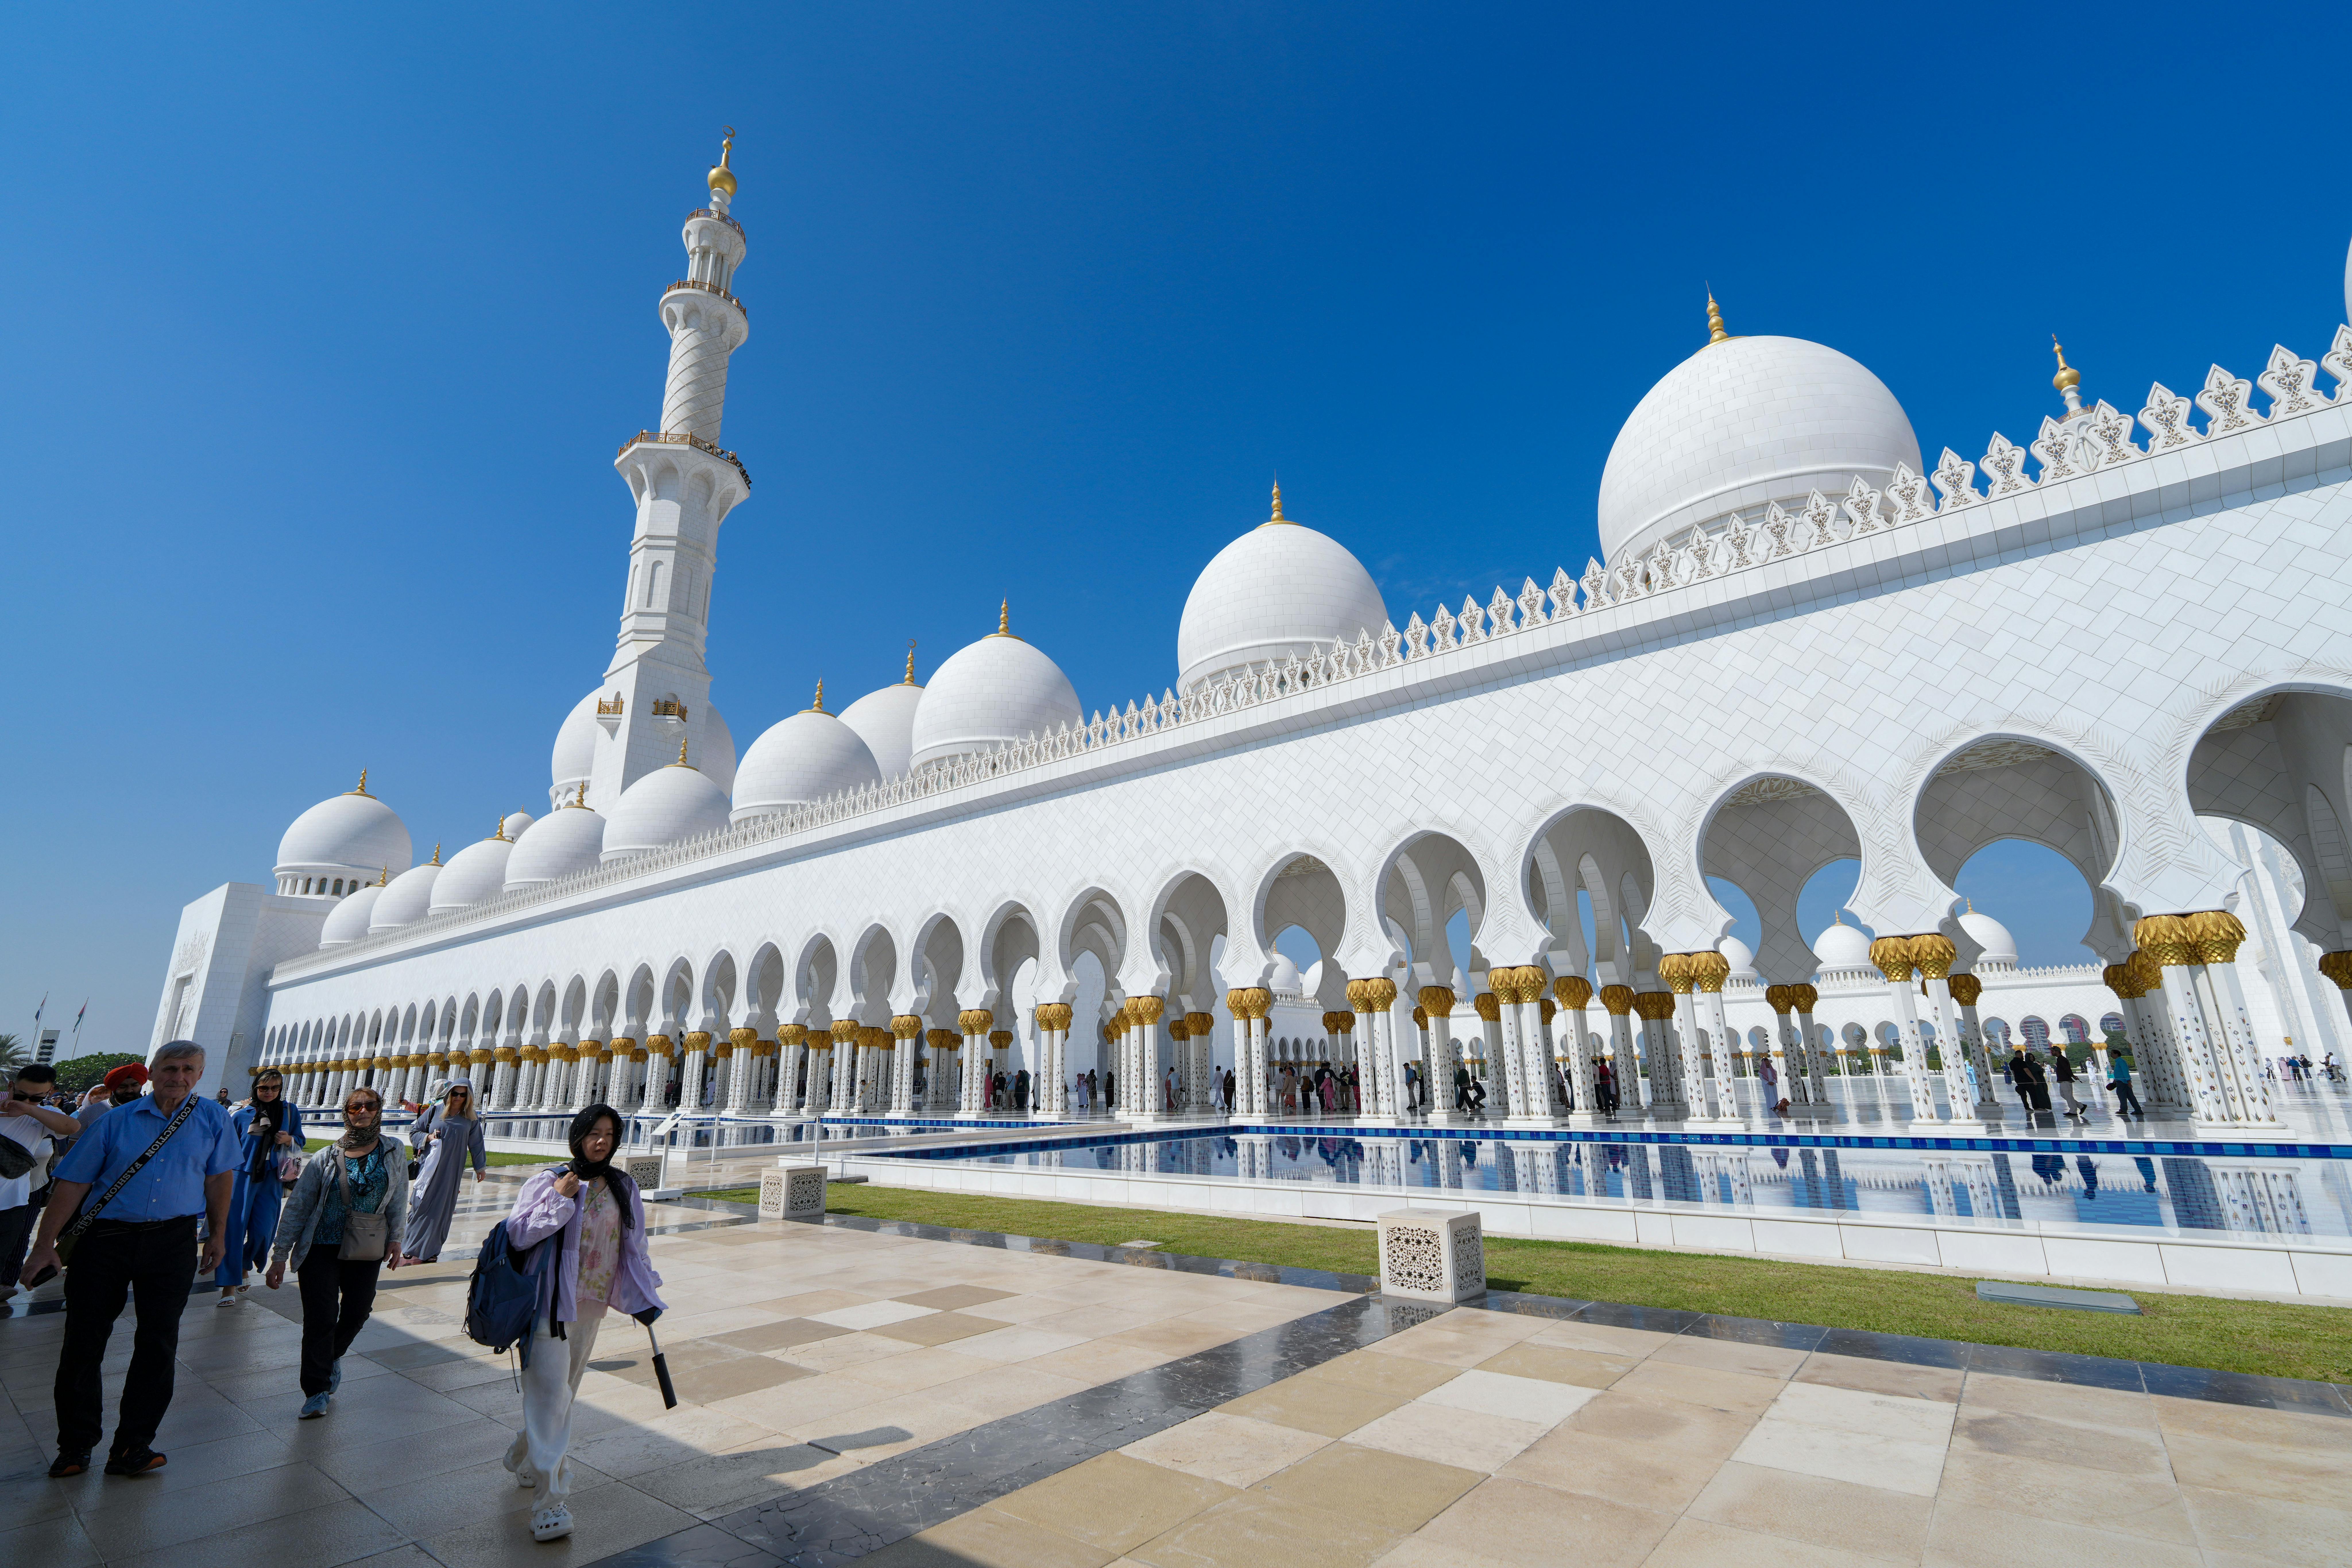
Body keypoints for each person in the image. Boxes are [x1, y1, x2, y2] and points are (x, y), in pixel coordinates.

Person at [24, 1041, 240, 1478]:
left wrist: (218, 1235)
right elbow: (72, 1184)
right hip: (105, 1240)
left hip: (172, 1240)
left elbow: (220, 1178)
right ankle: (76, 1444)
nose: (178, 1076)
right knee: (84, 1341)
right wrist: (45, 1244)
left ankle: (133, 1446)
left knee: (158, 1343)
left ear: (200, 1075)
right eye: (170, 1068)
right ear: (153, 1072)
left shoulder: (213, 1118)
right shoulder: (114, 1121)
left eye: (189, 1069)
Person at [503, 1105, 666, 1543]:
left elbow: (636, 1247)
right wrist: (559, 1199)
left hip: (590, 1305)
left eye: (610, 1134)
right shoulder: (550, 1180)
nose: (601, 1141)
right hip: (547, 1306)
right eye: (594, 1132)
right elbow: (518, 1233)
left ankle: (526, 1452)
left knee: (562, 1394)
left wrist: (646, 1294)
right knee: (551, 1395)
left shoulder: (623, 1186)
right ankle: (550, 1502)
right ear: (578, 1136)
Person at [268, 1086, 406, 1418]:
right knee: (321, 1317)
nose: (363, 1111)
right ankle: (316, 1389)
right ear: (347, 1112)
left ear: (379, 1109)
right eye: (355, 1107)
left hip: (366, 1243)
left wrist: (396, 1238)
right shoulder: (326, 1156)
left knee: (358, 1310)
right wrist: (279, 1255)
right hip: (320, 1246)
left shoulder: (393, 1149)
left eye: (369, 1105)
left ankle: (330, 1357)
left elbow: (399, 1195)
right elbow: (299, 1206)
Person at [216, 1068, 303, 1304]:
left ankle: (244, 1265)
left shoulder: (289, 1111)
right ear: (256, 1088)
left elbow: (300, 1139)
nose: (269, 1092)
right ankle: (228, 1287)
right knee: (234, 1230)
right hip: (240, 1176)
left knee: (264, 1231)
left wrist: (289, 1139)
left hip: (271, 1177)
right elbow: (226, 1147)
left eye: (275, 1088)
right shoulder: (242, 1114)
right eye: (264, 1088)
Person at [3, 1066, 78, 1300]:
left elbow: (72, 1127)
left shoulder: (42, 1114)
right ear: (11, 1086)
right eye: (21, 1095)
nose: (27, 1101)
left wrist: (29, 1109)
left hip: (10, 1205)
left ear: (48, 1092)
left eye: (36, 1098)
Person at [401, 1080, 486, 1264]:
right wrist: (429, 1137)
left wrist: (480, 1167)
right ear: (449, 1094)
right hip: (429, 1169)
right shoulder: (435, 1111)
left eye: (463, 1095)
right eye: (455, 1094)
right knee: (421, 1206)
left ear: (468, 1097)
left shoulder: (471, 1118)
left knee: (442, 1210)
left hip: (452, 1170)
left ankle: (431, 1250)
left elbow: (477, 1144)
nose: (458, 1098)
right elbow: (415, 1132)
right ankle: (409, 1246)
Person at [2049, 1047, 2085, 1121]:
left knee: (2068, 1096)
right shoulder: (2060, 1059)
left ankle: (2073, 1111)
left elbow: (2067, 1069)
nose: (2052, 1052)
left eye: (2053, 1051)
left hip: (2066, 1080)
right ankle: (2081, 1106)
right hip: (2063, 1080)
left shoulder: (2062, 1060)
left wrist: (2073, 1076)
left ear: (2057, 1052)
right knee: (2064, 1095)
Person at [2107, 1054, 2144, 1118]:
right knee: (2131, 1097)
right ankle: (2138, 1110)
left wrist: (2129, 1081)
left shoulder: (2121, 1061)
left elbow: (2125, 1071)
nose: (2111, 1055)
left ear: (2117, 1054)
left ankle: (2123, 1110)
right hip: (2121, 1081)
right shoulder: (2118, 1062)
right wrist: (2116, 1079)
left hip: (2122, 1082)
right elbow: (2119, 1072)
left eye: (2112, 1054)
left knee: (2122, 1096)